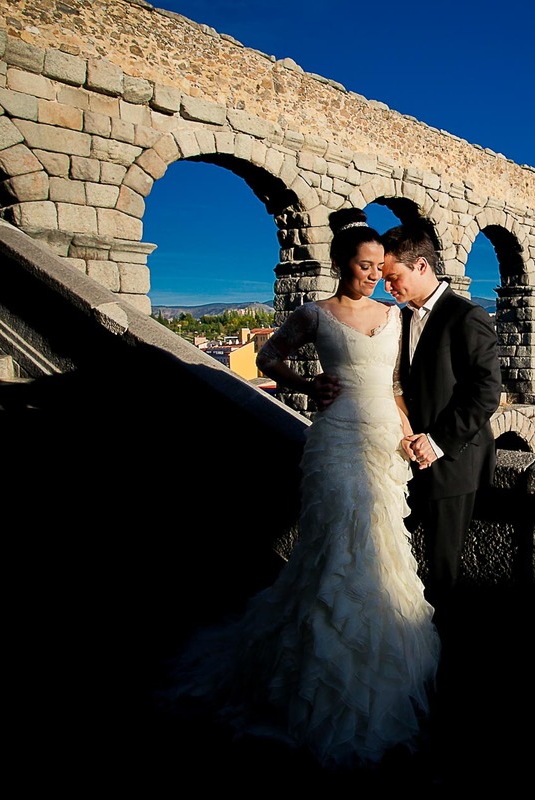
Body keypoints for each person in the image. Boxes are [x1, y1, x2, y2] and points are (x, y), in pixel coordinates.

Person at [163, 208, 440, 770]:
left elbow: (392, 385)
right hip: (337, 441)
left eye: (379, 267)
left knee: (383, 544)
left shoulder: (393, 315)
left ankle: (373, 662)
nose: (373, 275)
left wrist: (410, 433)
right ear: (340, 264)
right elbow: (268, 357)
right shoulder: (315, 313)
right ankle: (320, 669)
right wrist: (307, 385)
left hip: (383, 443)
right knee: (336, 545)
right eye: (363, 266)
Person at [380, 222, 502, 634]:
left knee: (443, 576)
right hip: (410, 460)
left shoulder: (466, 315)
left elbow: (486, 391)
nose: (387, 287)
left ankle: (443, 657)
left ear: (421, 266)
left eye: (393, 277)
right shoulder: (401, 318)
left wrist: (437, 441)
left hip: (453, 465)